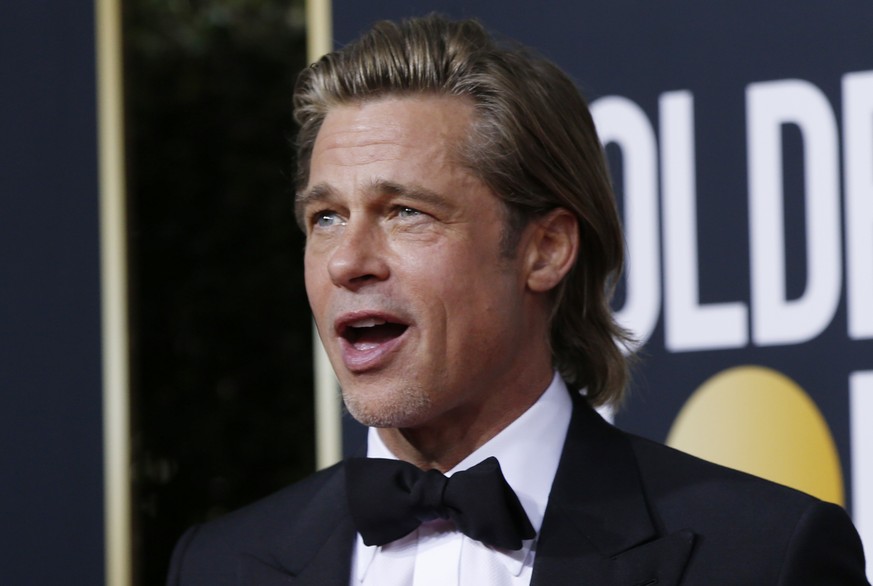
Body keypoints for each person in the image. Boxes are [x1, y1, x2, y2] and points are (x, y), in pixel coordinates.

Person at [166, 14, 869, 585]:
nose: (348, 261)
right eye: (325, 218)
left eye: (405, 211)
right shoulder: (222, 564)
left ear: (545, 250)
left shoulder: (760, 558)